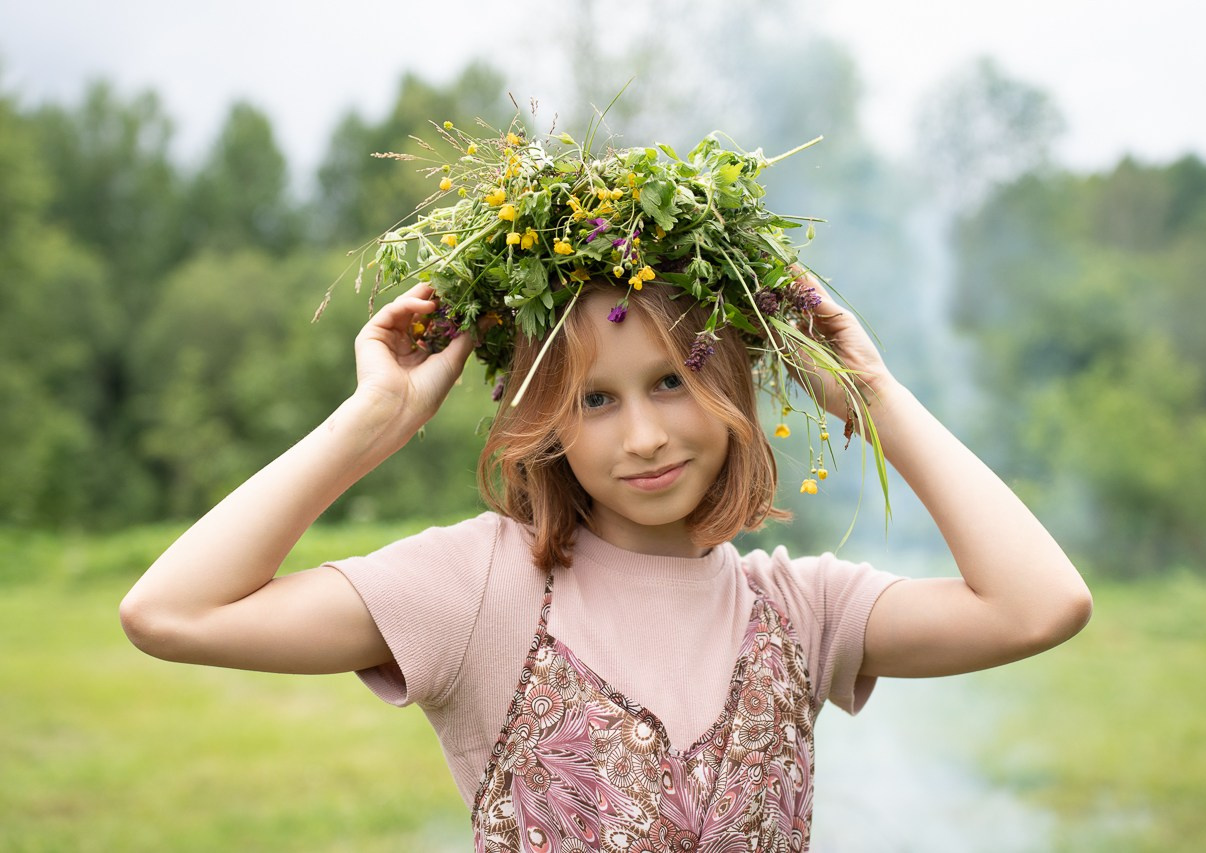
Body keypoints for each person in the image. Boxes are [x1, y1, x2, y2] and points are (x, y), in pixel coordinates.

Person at [120, 125, 1092, 851]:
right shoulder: (478, 590)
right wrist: (371, 424)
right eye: (592, 400)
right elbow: (171, 611)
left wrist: (872, 397)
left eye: (671, 379)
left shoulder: (800, 610)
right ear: (545, 426)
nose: (642, 436)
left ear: (728, 385)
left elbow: (1040, 604)